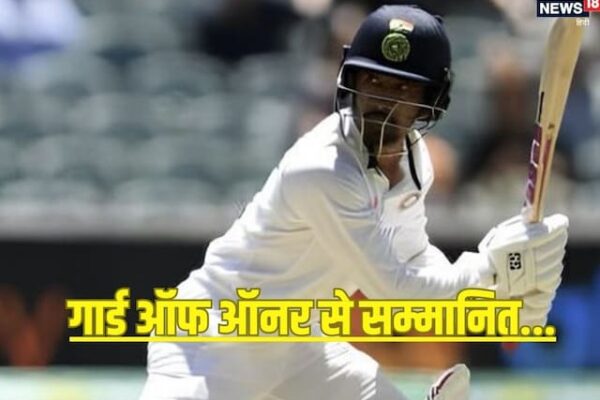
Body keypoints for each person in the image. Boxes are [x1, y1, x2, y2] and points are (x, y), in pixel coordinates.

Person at [140, 5, 568, 400]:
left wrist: (493, 288)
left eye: (402, 87)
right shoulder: (322, 168)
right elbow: (391, 289)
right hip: (211, 341)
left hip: (299, 345)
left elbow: (413, 258)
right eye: (374, 81)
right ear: (352, 82)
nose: (384, 100)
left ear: (430, 98)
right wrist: (491, 271)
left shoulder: (416, 162)